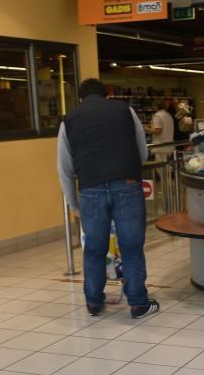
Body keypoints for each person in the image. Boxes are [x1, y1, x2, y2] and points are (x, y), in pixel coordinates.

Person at [57, 78, 159, 319]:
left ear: (80, 99)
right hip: (127, 185)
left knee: (94, 248)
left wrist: (73, 203)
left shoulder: (69, 120)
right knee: (131, 247)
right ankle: (138, 304)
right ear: (106, 95)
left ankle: (93, 302)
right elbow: (142, 151)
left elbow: (65, 167)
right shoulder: (126, 111)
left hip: (90, 190)